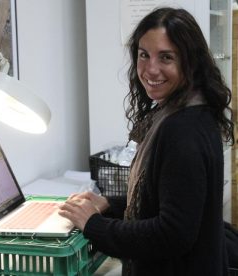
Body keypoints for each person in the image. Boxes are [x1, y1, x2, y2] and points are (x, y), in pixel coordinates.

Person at [58, 7, 234, 276]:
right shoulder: (183, 110)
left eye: (166, 57)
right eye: (143, 55)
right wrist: (109, 204)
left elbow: (172, 234)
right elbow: (162, 197)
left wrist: (93, 224)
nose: (150, 69)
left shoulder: (183, 130)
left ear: (190, 62)